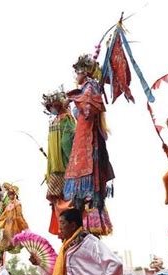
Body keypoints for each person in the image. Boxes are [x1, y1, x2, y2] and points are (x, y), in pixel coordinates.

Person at [32, 208, 123, 275]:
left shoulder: (90, 243)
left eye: (62, 223)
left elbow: (116, 265)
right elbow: (57, 274)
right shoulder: (66, 249)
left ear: (73, 225)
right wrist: (40, 263)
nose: (59, 227)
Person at [63, 54, 114, 236]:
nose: (75, 76)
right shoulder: (85, 88)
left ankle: (91, 225)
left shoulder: (91, 86)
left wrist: (73, 98)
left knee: (91, 189)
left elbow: (89, 109)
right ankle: (79, 224)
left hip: (89, 142)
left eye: (77, 72)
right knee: (79, 194)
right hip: (81, 139)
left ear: (84, 72)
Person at [42, 88, 76, 237]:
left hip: (65, 167)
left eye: (53, 106)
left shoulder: (66, 118)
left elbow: (67, 142)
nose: (52, 109)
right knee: (58, 201)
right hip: (56, 169)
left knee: (68, 201)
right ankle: (63, 230)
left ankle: (69, 230)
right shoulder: (56, 121)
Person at [0, 183, 29, 253]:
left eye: (11, 194)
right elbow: (4, 214)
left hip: (15, 224)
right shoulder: (8, 204)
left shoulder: (17, 203)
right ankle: (7, 246)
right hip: (8, 224)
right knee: (6, 236)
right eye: (9, 194)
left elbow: (19, 215)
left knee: (15, 236)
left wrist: (24, 225)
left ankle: (16, 245)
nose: (10, 196)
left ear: (14, 194)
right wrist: (3, 220)